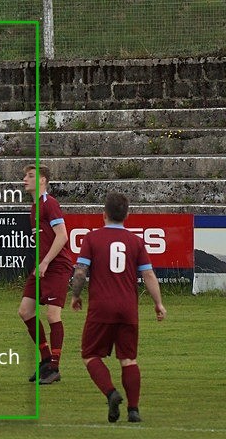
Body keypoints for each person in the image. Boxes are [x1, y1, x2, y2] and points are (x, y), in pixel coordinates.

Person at [71, 192, 166, 423]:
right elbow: (148, 274)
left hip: (101, 308)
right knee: (128, 359)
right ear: (127, 215)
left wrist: (75, 295)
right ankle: (133, 410)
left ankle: (111, 393)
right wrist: (158, 303)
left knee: (90, 354)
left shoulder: (92, 238)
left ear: (103, 214)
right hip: (128, 308)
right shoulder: (136, 241)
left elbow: (81, 272)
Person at [18, 165, 74, 385]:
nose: (25, 179)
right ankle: (46, 359)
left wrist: (46, 262)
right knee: (25, 311)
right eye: (25, 176)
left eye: (30, 176)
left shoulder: (50, 203)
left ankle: (54, 367)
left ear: (42, 180)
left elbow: (62, 236)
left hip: (57, 266)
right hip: (42, 266)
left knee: (52, 315)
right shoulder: (34, 207)